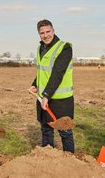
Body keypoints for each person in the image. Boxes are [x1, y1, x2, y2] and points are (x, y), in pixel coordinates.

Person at [28, 19, 75, 153]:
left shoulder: (64, 48)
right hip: (44, 97)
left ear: (54, 31)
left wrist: (46, 95)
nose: (45, 35)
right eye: (42, 33)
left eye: (48, 31)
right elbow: (43, 72)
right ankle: (47, 158)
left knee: (65, 132)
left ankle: (71, 163)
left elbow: (57, 73)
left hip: (61, 99)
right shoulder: (40, 48)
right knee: (46, 130)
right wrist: (35, 85)